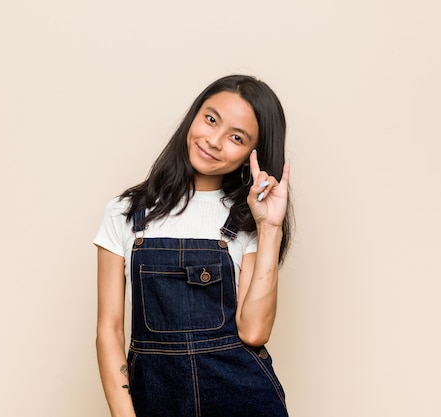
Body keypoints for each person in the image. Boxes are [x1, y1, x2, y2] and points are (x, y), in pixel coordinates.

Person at [94, 74, 292, 417]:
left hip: (241, 399)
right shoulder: (125, 212)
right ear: (194, 115)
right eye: (210, 119)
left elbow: (254, 331)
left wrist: (270, 226)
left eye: (236, 137)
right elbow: (108, 329)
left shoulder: (247, 221)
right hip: (154, 399)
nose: (214, 140)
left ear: (251, 154)